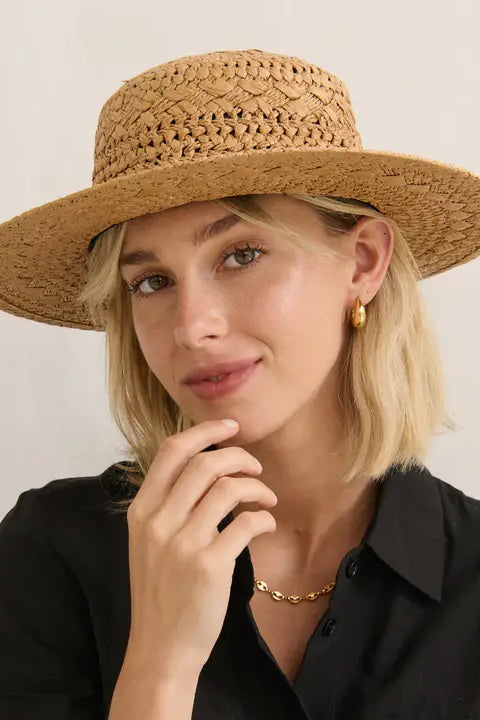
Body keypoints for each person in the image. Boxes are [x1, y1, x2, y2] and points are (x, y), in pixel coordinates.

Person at [0, 48, 479, 720]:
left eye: (241, 255)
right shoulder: (52, 553)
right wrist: (161, 663)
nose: (192, 327)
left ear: (363, 261)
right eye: (152, 282)